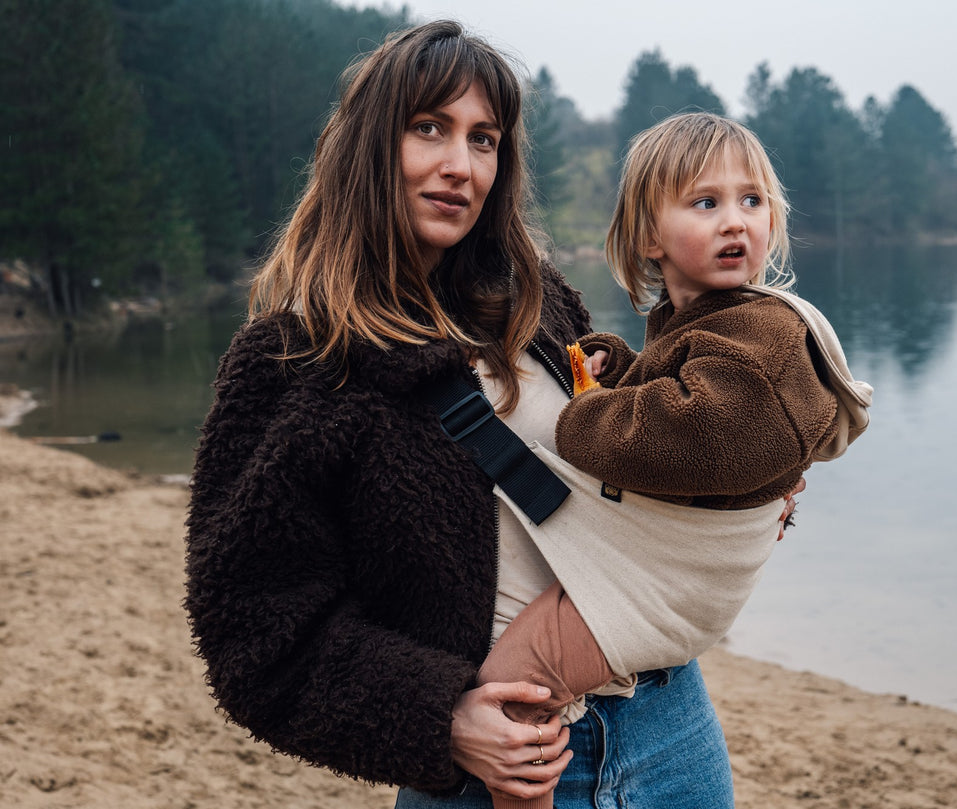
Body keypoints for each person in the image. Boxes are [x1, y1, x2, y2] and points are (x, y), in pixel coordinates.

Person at [183, 21, 781, 809]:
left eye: (485, 139)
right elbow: (254, 631)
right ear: (369, 143)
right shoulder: (292, 360)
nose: (459, 165)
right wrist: (445, 718)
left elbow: (620, 475)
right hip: (495, 769)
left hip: (672, 734)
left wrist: (737, 486)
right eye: (429, 128)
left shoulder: (539, 301)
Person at [475, 112, 872, 809]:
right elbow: (677, 398)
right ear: (647, 237)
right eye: (706, 202)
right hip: (660, 573)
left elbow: (704, 435)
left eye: (752, 201)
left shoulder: (761, 328)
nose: (735, 221)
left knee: (518, 678)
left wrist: (585, 414)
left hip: (671, 582)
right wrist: (621, 371)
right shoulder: (697, 323)